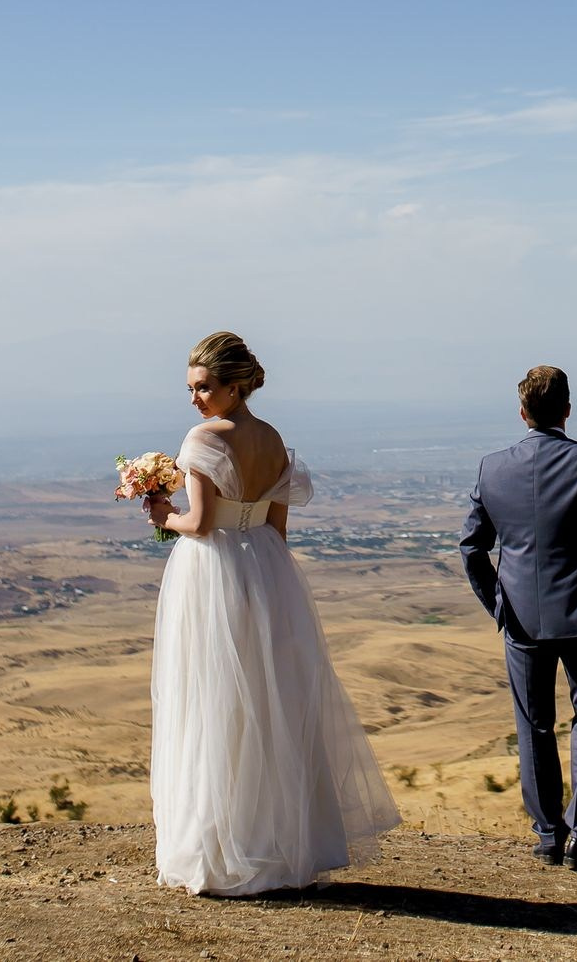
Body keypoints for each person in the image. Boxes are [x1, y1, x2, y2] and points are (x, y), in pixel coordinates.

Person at [144, 330, 398, 894]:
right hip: (266, 565)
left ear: (235, 388)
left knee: (214, 700)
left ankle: (221, 848)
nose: (195, 399)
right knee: (268, 697)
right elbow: (278, 528)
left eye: (204, 387)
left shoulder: (203, 438)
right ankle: (279, 845)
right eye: (192, 388)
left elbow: (203, 523)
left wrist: (164, 514)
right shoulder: (274, 437)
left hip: (212, 572)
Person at [460, 364, 577, 869]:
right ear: (567, 410)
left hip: (520, 619)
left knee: (533, 724)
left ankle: (547, 837)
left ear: (522, 412)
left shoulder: (493, 468)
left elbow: (471, 546)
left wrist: (498, 602)